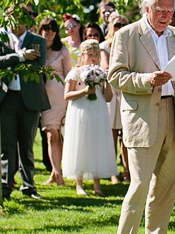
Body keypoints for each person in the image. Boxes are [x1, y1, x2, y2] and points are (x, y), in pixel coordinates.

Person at [107, 0, 175, 234]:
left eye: (170, 10)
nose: (166, 15)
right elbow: (115, 76)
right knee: (139, 186)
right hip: (142, 117)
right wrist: (147, 80)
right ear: (146, 9)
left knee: (166, 189)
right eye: (160, 10)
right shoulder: (126, 34)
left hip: (173, 114)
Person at [0, 6, 50, 200]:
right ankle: (5, 186)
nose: (14, 23)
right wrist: (21, 56)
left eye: (18, 19)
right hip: (7, 97)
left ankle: (28, 186)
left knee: (26, 144)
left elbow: (37, 66)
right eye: (10, 19)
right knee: (6, 145)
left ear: (27, 21)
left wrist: (12, 63)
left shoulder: (38, 41)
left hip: (30, 98)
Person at [61, 39, 116, 196]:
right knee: (81, 142)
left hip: (98, 109)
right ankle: (79, 184)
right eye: (90, 55)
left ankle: (97, 184)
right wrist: (85, 91)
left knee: (96, 143)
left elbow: (108, 98)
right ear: (83, 55)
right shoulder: (75, 72)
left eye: (96, 55)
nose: (93, 58)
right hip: (80, 110)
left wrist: (106, 81)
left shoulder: (100, 73)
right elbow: (67, 95)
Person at [38, 17, 70, 186]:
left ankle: (56, 173)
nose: (49, 32)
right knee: (51, 135)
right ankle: (57, 173)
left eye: (53, 29)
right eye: (46, 28)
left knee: (58, 135)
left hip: (60, 97)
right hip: (43, 98)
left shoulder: (63, 50)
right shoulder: (36, 49)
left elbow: (69, 75)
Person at [102, 14, 130, 182]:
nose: (120, 27)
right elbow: (106, 68)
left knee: (126, 134)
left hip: (126, 89)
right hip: (112, 90)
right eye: (117, 25)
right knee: (112, 133)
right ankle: (113, 172)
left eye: (123, 24)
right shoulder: (105, 46)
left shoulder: (130, 44)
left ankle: (127, 170)